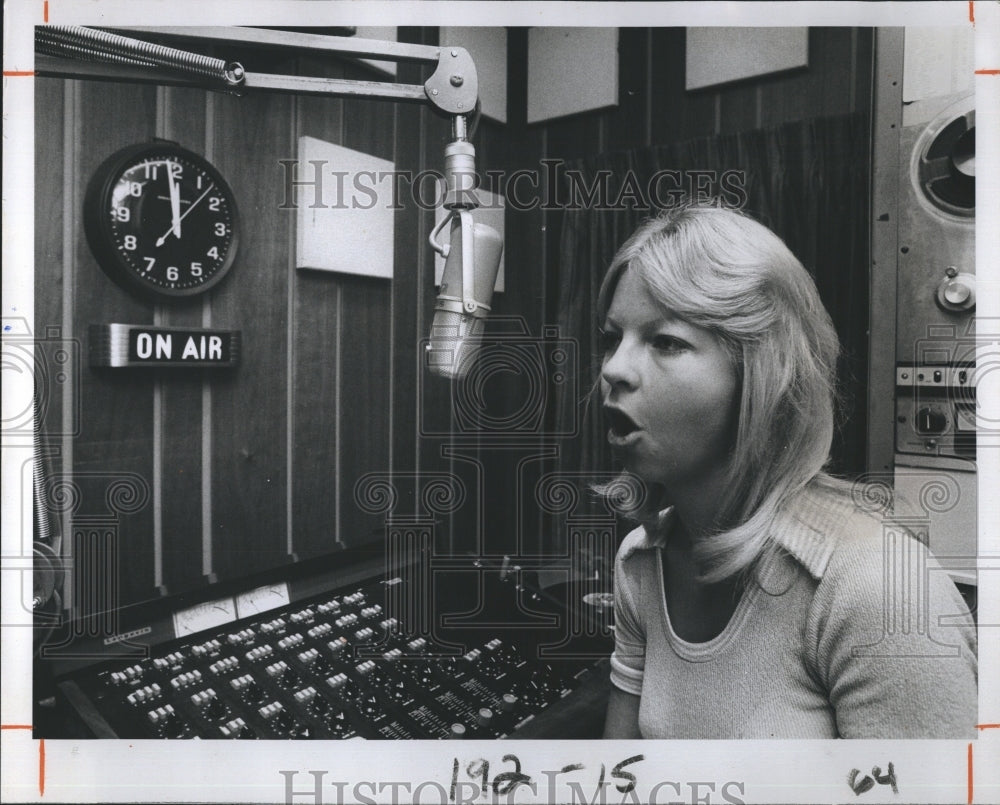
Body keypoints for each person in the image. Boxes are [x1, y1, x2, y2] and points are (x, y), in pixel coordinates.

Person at [599, 203, 977, 739]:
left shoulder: (882, 593)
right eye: (612, 337)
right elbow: (620, 780)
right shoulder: (640, 561)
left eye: (666, 342)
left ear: (761, 376)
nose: (613, 368)